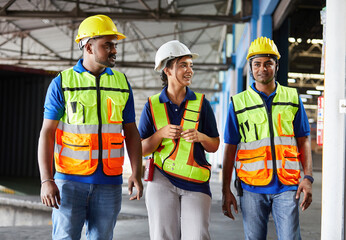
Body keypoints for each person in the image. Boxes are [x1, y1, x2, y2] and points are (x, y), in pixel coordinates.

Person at [37, 14, 143, 240]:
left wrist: (136, 172)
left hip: (109, 183)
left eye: (114, 45)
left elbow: (131, 132)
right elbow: (47, 133)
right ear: (88, 46)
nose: (114, 50)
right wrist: (47, 180)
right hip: (69, 181)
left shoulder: (122, 84)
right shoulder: (62, 84)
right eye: (108, 45)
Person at [222, 36, 313, 240]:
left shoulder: (292, 98)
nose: (262, 69)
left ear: (276, 66)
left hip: (287, 186)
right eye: (257, 64)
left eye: (268, 63)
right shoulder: (238, 103)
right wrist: (225, 190)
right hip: (251, 187)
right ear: (251, 67)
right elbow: (229, 148)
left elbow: (303, 140)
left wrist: (307, 178)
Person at [138, 40, 220, 240]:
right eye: (183, 65)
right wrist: (160, 134)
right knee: (162, 235)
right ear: (167, 70)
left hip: (196, 180)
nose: (189, 70)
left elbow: (215, 145)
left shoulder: (202, 104)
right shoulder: (152, 105)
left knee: (198, 236)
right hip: (161, 178)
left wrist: (200, 137)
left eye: (191, 65)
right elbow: (141, 149)